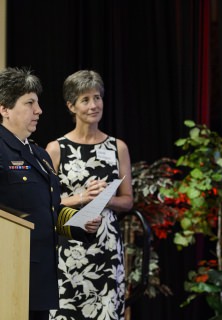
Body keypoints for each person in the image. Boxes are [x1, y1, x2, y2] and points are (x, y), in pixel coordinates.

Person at [0, 67, 102, 320]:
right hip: (8, 275)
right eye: (29, 103)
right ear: (5, 109)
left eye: (38, 103)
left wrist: (81, 224)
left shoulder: (40, 155)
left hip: (38, 274)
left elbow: (50, 209)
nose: (39, 111)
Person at [46, 70, 133, 320]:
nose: (94, 105)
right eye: (85, 100)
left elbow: (128, 200)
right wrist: (82, 197)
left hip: (106, 248)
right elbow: (45, 201)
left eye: (97, 97)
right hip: (68, 247)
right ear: (71, 106)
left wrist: (106, 198)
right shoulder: (56, 149)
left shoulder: (118, 147)